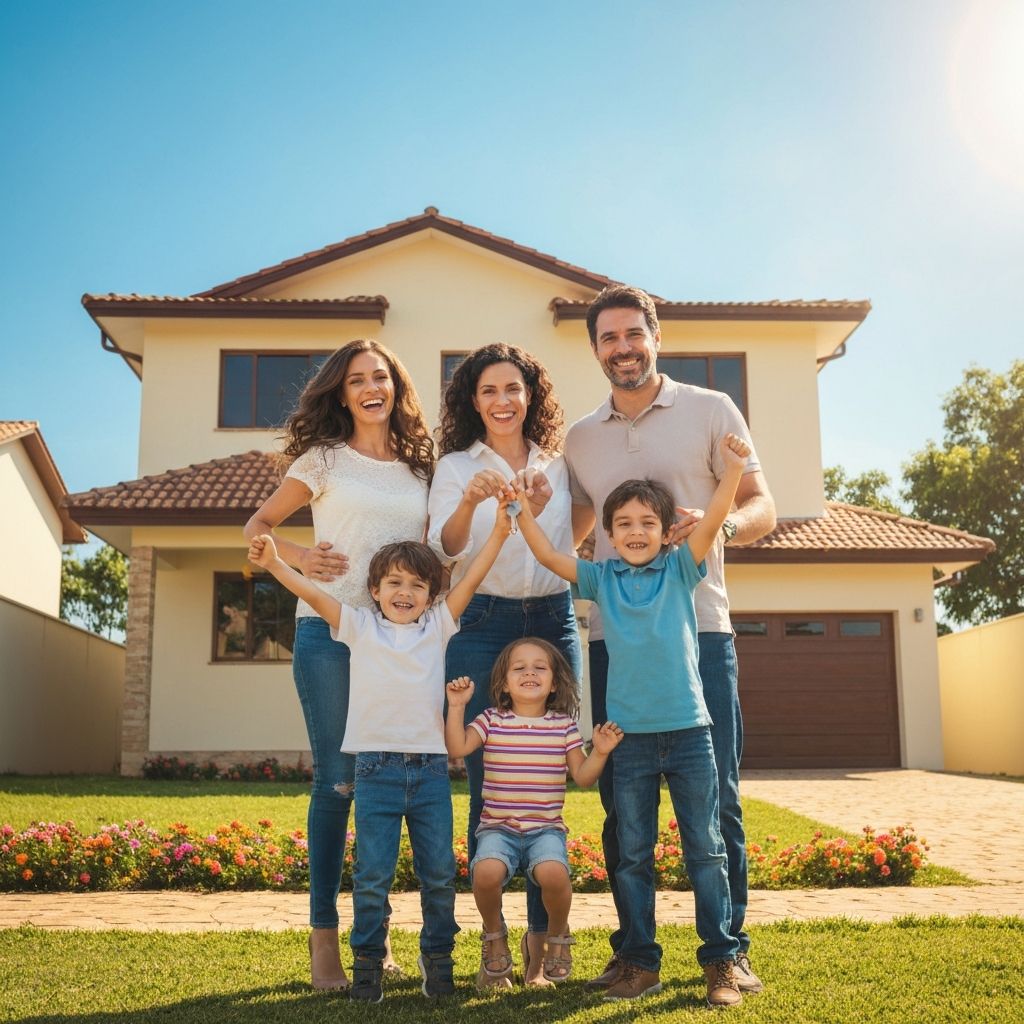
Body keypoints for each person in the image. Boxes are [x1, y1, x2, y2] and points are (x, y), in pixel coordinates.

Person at [563, 285, 777, 999]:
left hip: (701, 634)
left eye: (633, 333)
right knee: (622, 813)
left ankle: (727, 954)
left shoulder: (711, 410)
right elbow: (574, 532)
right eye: (608, 338)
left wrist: (715, 531)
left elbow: (762, 506)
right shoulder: (581, 438)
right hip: (613, 643)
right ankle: (634, 955)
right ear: (595, 348)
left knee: (717, 804)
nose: (622, 347)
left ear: (656, 335)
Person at [247, 489, 512, 1003]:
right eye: (394, 583)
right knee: (372, 877)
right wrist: (278, 563)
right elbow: (316, 594)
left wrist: (500, 531)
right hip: (375, 774)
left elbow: (474, 576)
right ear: (374, 589)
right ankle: (367, 964)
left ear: (433, 595)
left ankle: (439, 965)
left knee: (438, 876)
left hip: (431, 775)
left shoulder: (438, 626)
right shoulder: (359, 626)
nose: (405, 592)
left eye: (417, 585)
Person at [514, 441, 753, 1007]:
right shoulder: (600, 580)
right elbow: (550, 556)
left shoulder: (680, 568)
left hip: (692, 733)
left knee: (706, 850)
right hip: (629, 741)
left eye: (649, 521)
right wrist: (518, 512)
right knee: (632, 853)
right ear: (608, 534)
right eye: (623, 523)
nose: (636, 531)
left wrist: (736, 471)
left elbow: (717, 518)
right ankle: (641, 963)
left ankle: (720, 962)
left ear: (668, 529)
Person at [244, 339, 433, 989]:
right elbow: (256, 528)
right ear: (342, 392)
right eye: (357, 379)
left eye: (381, 376)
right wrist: (299, 555)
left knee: (384, 788)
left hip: (396, 647)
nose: (370, 387)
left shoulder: (420, 466)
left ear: (396, 387)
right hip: (328, 635)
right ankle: (324, 941)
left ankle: (372, 939)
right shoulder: (322, 459)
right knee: (337, 783)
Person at [428, 342, 582, 984]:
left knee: (547, 766)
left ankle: (542, 945)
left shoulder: (561, 461)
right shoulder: (456, 465)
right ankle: (493, 940)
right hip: (483, 621)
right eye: (489, 390)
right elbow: (444, 548)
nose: (502, 401)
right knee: (486, 777)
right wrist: (470, 501)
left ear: (531, 396)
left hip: (552, 616)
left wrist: (549, 514)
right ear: (473, 400)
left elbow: (580, 527)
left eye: (513, 389)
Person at [444, 638, 623, 991]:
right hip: (498, 828)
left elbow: (584, 777)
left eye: (540, 667)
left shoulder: (563, 726)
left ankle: (557, 933)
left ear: (554, 682)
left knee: (555, 874)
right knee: (485, 872)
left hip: (545, 831)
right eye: (519, 667)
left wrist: (599, 752)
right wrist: (456, 706)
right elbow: (456, 747)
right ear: (503, 683)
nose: (529, 672)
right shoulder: (491, 720)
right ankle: (493, 934)